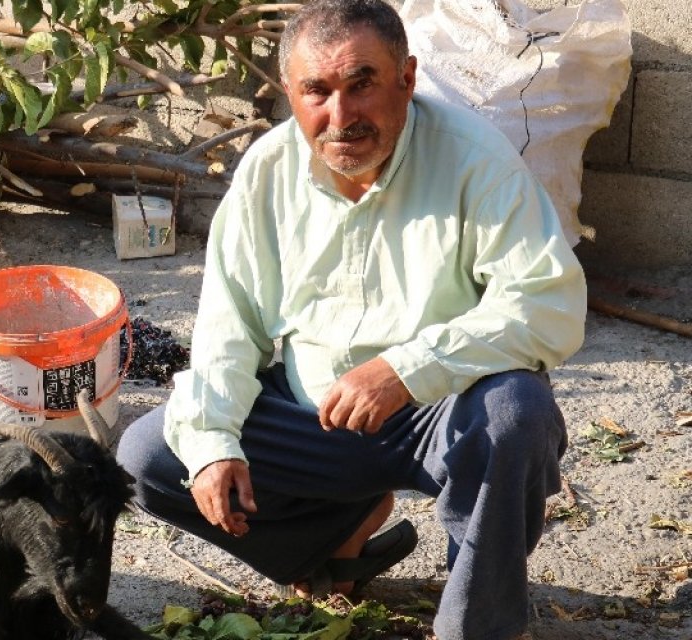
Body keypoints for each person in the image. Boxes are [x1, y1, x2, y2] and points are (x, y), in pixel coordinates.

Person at [115, 1, 587, 638]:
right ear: (291, 93)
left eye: (362, 83)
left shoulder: (477, 158)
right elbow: (231, 329)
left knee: (517, 415)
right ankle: (335, 537)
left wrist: (406, 369)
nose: (342, 116)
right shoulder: (267, 172)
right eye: (318, 91)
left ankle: (477, 623)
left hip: (440, 412)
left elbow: (546, 306)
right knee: (152, 454)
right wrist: (213, 445)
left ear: (407, 78)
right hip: (315, 415)